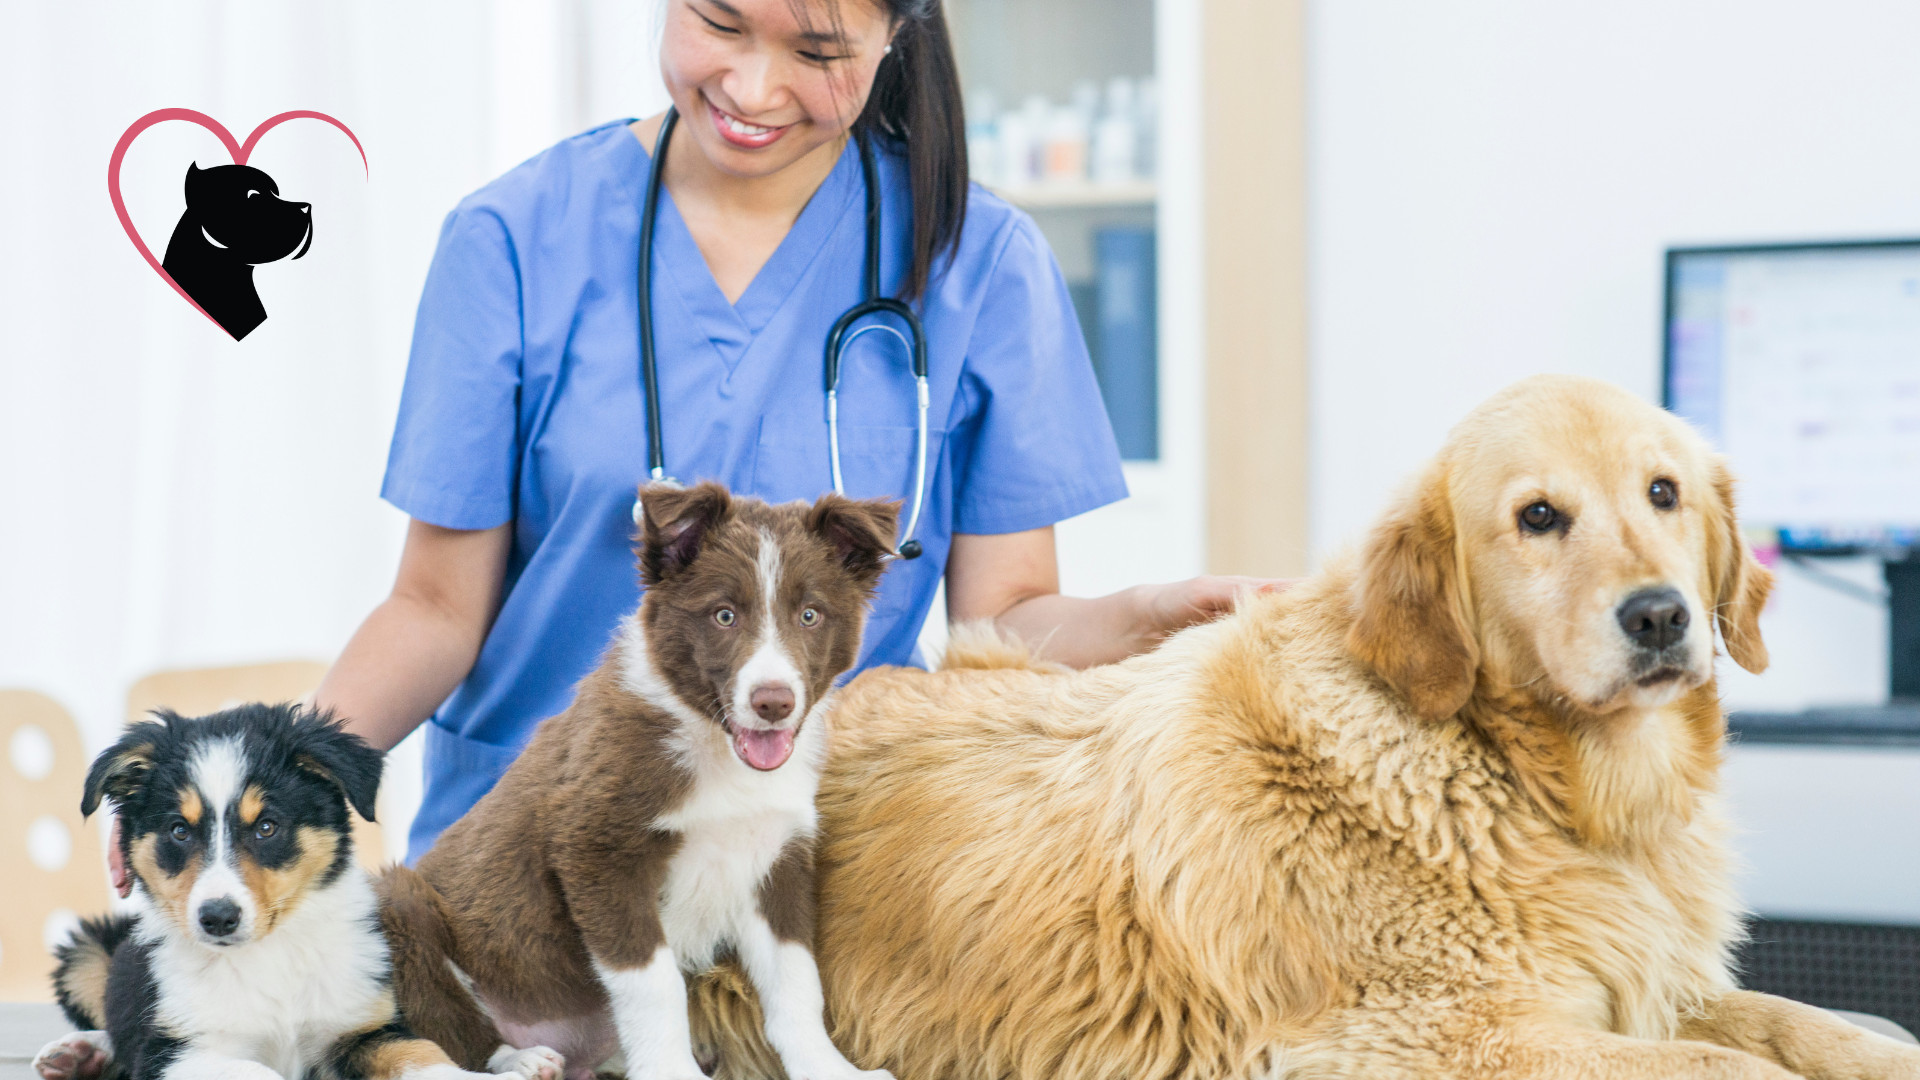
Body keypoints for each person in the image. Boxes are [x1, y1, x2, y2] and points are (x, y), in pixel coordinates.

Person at [103, 0, 1276, 894]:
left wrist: (1145, 618)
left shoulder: (978, 261)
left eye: (818, 52)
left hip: (817, 881)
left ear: (896, 37)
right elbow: (432, 609)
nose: (754, 86)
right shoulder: (512, 239)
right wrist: (258, 784)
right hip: (528, 870)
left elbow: (1003, 623)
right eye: (717, 20)